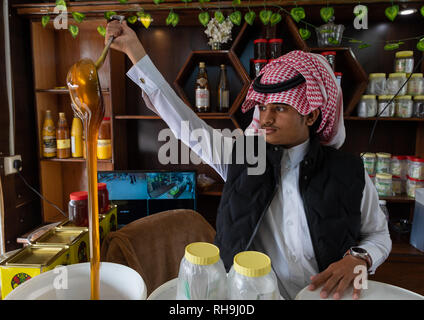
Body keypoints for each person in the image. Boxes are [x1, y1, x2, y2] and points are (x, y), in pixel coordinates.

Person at [105, 21, 391, 300]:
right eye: (263, 106)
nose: (265, 118)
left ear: (311, 114)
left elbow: (379, 235)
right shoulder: (241, 157)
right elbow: (184, 125)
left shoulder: (348, 172)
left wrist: (360, 259)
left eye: (279, 108)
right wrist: (134, 52)